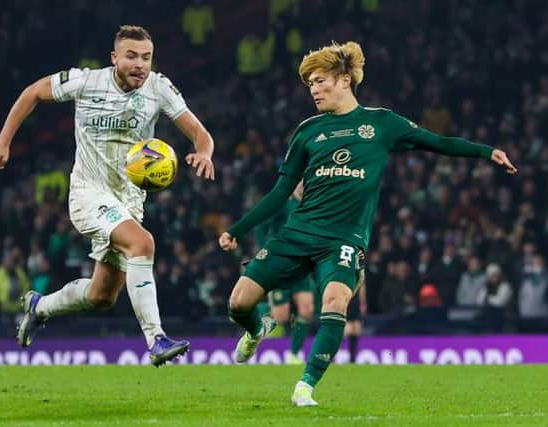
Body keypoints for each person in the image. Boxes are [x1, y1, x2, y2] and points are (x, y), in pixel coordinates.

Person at [219, 41, 516, 406]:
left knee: (335, 300)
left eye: (319, 80)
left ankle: (305, 386)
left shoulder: (381, 124)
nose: (313, 89)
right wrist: (237, 229)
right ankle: (257, 329)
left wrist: (487, 152)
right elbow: (280, 192)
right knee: (238, 303)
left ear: (344, 80)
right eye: (309, 83)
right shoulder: (308, 131)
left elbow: (436, 142)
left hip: (343, 238)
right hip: (298, 233)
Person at [0, 25, 215, 367]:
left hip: (129, 201)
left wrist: (204, 153)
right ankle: (156, 339)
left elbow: (200, 133)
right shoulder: (86, 81)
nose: (140, 64)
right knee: (143, 244)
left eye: (146, 57)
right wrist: (3, 141)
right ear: (114, 58)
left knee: (102, 295)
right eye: (132, 56)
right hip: (88, 194)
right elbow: (33, 92)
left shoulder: (159, 87)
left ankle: (39, 307)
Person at [256, 181, 316, 364]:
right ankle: (251, 310)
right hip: (280, 265)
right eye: (301, 181)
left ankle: (294, 354)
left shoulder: (312, 205)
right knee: (281, 316)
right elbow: (261, 226)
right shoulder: (282, 203)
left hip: (302, 265)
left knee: (307, 309)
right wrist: (264, 250)